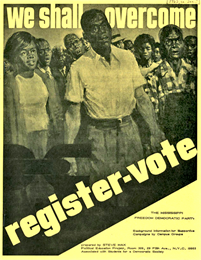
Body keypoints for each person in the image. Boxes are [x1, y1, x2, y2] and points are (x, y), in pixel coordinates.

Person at [64, 9, 164, 189]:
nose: (100, 31)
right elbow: (73, 115)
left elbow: (141, 98)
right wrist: (69, 153)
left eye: (103, 25)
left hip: (130, 130)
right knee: (105, 193)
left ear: (110, 29)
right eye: (93, 28)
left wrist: (155, 130)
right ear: (86, 36)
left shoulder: (127, 57)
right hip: (100, 136)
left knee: (136, 189)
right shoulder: (78, 67)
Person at [4, 31, 50, 159]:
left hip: (45, 135)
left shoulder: (42, 78)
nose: (30, 56)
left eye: (33, 51)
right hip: (23, 139)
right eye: (24, 52)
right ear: (15, 56)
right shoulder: (11, 82)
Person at [148, 25, 197, 144]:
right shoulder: (155, 76)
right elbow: (153, 110)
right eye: (169, 41)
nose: (174, 45)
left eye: (178, 40)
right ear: (162, 46)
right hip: (168, 135)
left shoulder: (193, 73)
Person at [35, 38, 64, 149]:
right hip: (48, 127)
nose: (46, 54)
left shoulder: (54, 72)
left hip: (60, 124)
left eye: (48, 50)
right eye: (41, 51)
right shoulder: (36, 75)